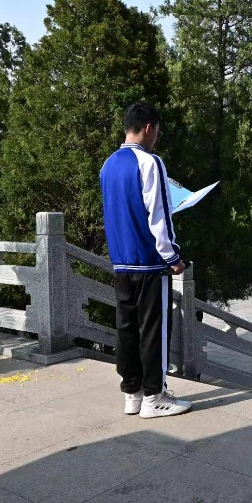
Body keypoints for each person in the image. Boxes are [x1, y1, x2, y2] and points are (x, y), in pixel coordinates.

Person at [100, 101, 193, 419]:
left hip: (121, 261)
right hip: (149, 262)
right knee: (154, 330)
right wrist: (173, 256)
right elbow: (159, 215)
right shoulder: (150, 162)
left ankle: (133, 393)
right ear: (149, 128)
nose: (157, 138)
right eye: (158, 132)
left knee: (126, 328)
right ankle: (155, 396)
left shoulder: (108, 165)